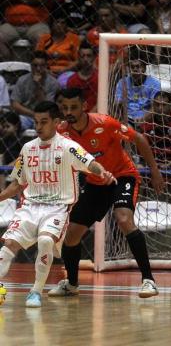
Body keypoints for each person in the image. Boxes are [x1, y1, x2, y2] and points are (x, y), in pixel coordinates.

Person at [48, 88, 165, 298]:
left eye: (73, 107)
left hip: (123, 176)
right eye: (64, 108)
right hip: (96, 182)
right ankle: (72, 284)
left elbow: (138, 138)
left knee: (124, 219)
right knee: (72, 234)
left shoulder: (105, 123)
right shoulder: (62, 132)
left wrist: (155, 171)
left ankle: (149, 280)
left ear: (84, 106)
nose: (68, 111)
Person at [0, 101, 115, 308]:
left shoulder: (68, 146)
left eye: (44, 122)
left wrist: (103, 172)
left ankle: (35, 291)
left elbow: (90, 163)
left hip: (57, 208)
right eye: (36, 122)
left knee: (45, 241)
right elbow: (16, 185)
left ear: (56, 122)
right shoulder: (27, 149)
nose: (38, 127)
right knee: (8, 245)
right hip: (29, 208)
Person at [10, 51, 60, 131]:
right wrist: (33, 114)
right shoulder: (22, 80)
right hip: (25, 115)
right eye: (35, 65)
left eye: (42, 66)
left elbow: (47, 107)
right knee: (13, 124)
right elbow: (15, 104)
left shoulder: (53, 83)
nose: (38, 69)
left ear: (46, 66)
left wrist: (38, 86)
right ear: (30, 65)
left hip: (46, 117)